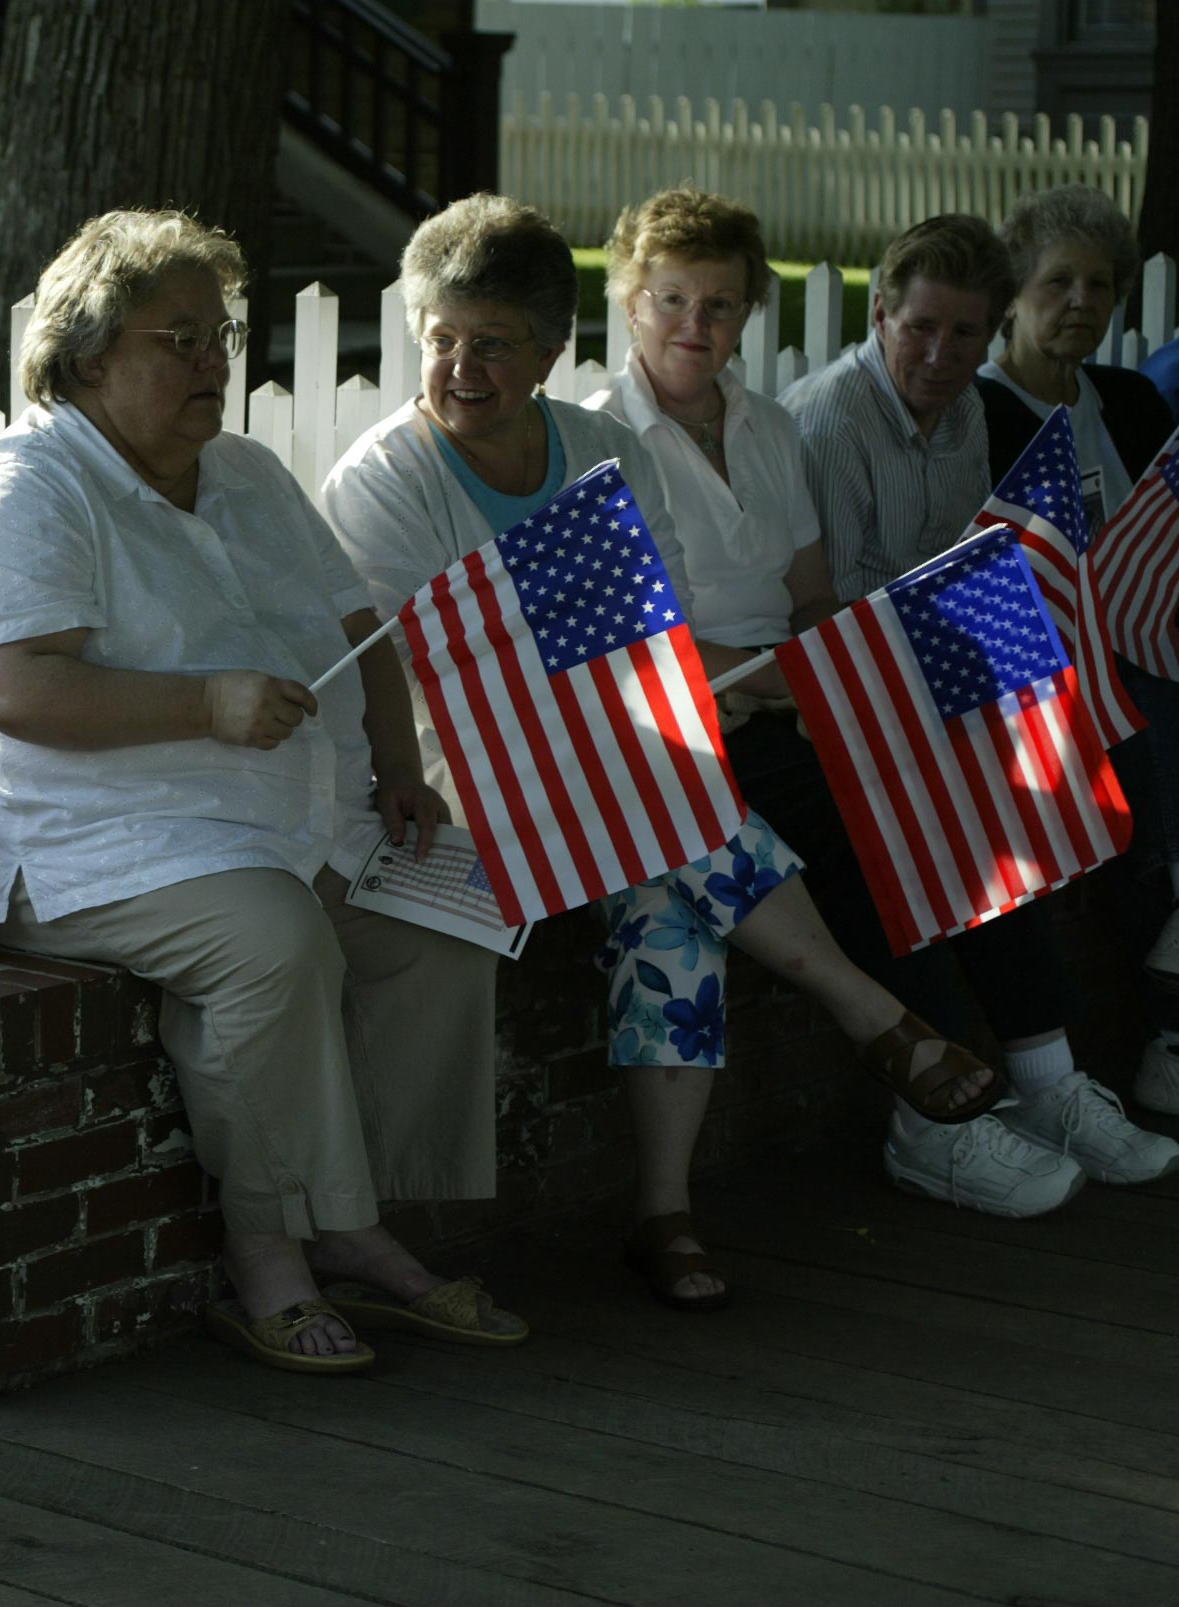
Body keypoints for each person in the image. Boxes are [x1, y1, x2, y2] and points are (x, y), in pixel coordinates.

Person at [323, 193, 993, 1311]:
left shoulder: (599, 452)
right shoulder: (388, 478)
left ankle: (662, 1209)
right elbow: (420, 674)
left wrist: (604, 705)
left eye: (492, 344)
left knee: (665, 885)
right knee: (659, 813)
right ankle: (864, 1010)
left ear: (546, 351)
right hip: (455, 775)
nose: (460, 368)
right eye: (440, 338)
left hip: (607, 766)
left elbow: (650, 634)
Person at [0, 206, 525, 1375]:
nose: (211, 362)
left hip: (265, 818)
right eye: (175, 339)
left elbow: (364, 631)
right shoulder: (28, 491)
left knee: (439, 922)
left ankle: (364, 1215)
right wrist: (204, 704)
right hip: (85, 842)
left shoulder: (239, 472)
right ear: (87, 357)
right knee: (270, 943)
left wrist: (398, 767)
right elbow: (9, 686)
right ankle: (273, 1258)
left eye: (218, 333)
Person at [783, 212, 1177, 1213]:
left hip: (908, 675)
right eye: (918, 329)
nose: (938, 354)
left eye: (963, 335)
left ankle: (1045, 1084)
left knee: (1005, 803)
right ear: (880, 315)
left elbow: (956, 572)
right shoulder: (834, 417)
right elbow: (827, 614)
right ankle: (938, 1119)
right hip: (817, 687)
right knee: (922, 816)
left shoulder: (962, 416)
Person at [974, 185, 1179, 1125]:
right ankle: (1164, 1036)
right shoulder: (979, 412)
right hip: (1046, 669)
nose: (1081, 303)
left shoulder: (1132, 400)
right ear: (1013, 292)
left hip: (1138, 648)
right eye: (1058, 281)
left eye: (1100, 285)